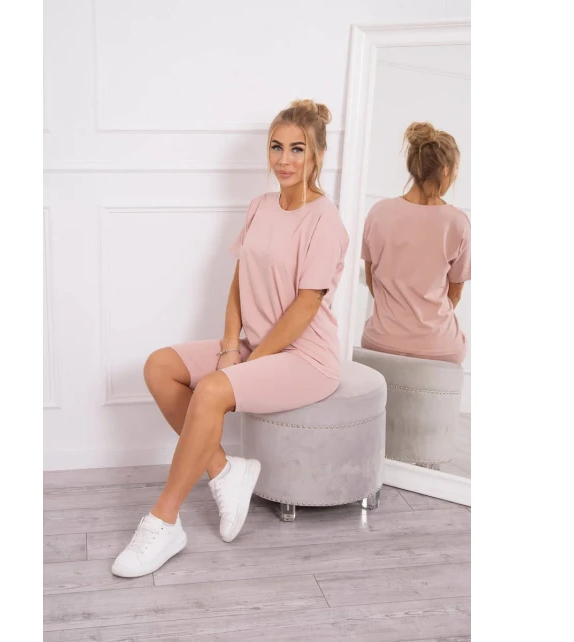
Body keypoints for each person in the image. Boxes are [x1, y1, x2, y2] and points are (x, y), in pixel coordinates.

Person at [111, 99, 350, 578]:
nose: (284, 160)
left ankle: (164, 521)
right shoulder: (260, 206)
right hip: (256, 345)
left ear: (318, 154)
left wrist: (248, 364)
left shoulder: (325, 220)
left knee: (212, 389)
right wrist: (228, 347)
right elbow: (240, 280)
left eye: (298, 149)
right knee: (159, 367)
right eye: (277, 147)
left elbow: (305, 306)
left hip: (306, 357)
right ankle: (224, 470)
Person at [360, 121, 471, 364]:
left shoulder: (378, 212)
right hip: (439, 346)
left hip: (381, 340)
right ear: (445, 170)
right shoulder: (458, 222)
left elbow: (371, 280)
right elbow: (454, 294)